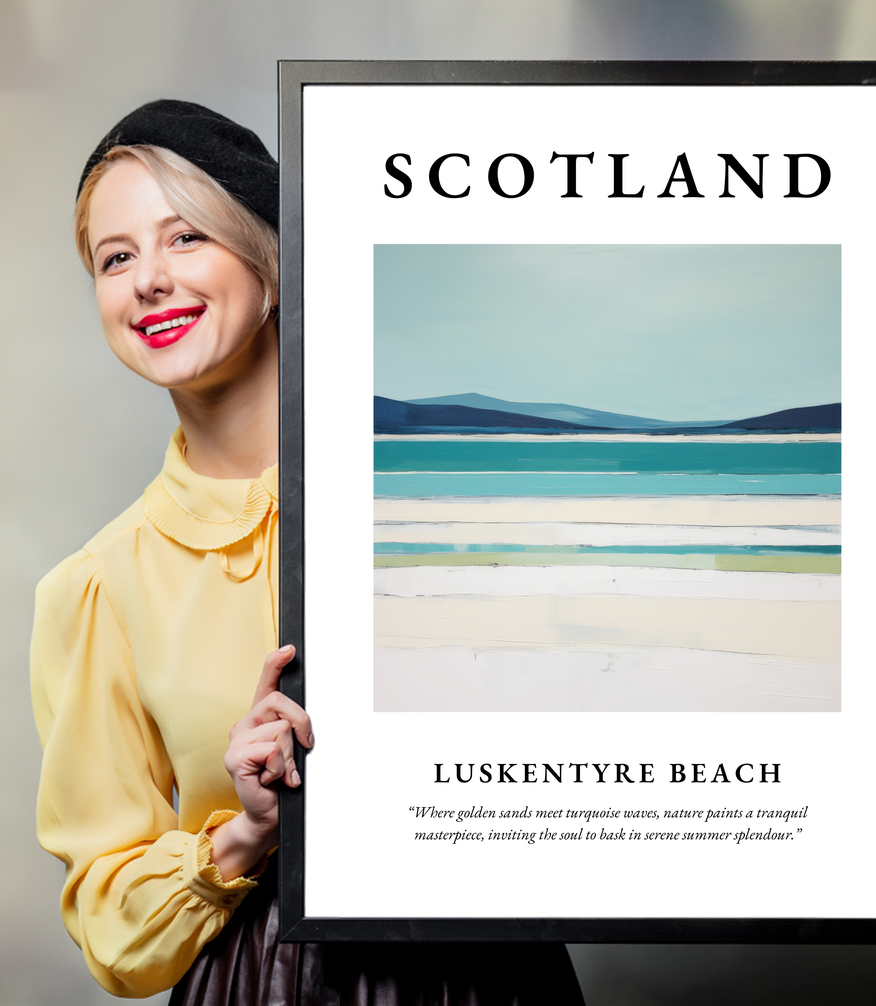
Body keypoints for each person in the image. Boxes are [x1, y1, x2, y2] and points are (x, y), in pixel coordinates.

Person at [30, 100, 585, 1004]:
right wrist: (245, 832)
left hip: (492, 972)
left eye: (186, 239)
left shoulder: (447, 497)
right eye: (116, 257)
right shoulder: (98, 587)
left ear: (273, 264)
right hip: (262, 982)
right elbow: (110, 923)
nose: (148, 281)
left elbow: (609, 688)